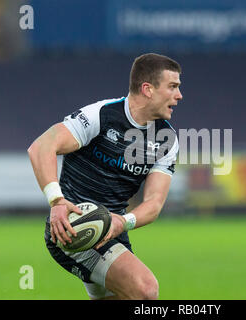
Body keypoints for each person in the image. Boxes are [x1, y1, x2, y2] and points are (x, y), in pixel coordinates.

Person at [27, 53, 183, 300]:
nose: (179, 95)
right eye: (173, 87)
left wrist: (123, 222)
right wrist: (56, 201)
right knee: (145, 290)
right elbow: (41, 146)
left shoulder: (167, 140)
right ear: (148, 89)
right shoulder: (100, 115)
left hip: (113, 233)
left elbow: (153, 204)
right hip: (73, 228)